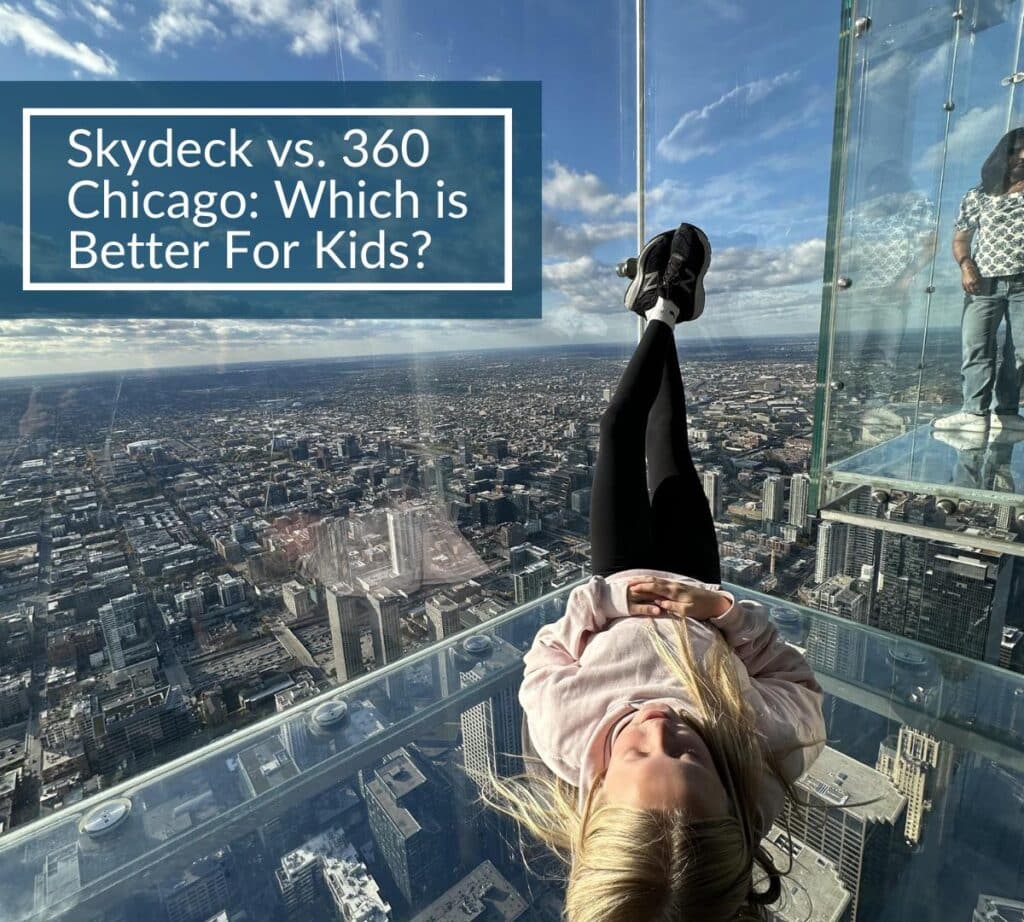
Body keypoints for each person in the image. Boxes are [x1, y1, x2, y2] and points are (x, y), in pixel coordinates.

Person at [480, 224, 828, 920]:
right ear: (734, 805)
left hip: (621, 578)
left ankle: (665, 307)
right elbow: (794, 679)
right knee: (669, 445)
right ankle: (664, 303)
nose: (664, 725)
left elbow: (547, 654)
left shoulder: (565, 732)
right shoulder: (766, 747)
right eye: (692, 759)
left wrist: (609, 598)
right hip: (696, 582)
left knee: (616, 428)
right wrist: (721, 613)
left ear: (597, 801)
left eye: (640, 756)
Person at [935, 128, 1024, 433]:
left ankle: (1007, 411)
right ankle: (974, 412)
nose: (1022, 157)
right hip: (983, 284)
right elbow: (961, 239)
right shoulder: (979, 195)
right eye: (1016, 151)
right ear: (1003, 154)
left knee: (1021, 350)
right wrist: (966, 265)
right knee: (976, 346)